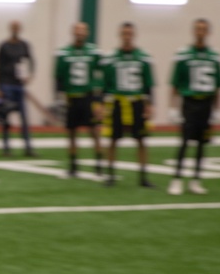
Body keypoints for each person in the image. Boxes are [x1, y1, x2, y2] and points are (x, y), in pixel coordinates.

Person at [167, 19, 220, 196]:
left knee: (202, 145)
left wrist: (218, 109)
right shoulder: (184, 54)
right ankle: (176, 179)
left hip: (206, 103)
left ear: (208, 32)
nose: (200, 32)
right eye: (198, 29)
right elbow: (175, 84)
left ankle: (196, 180)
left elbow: (218, 86)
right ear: (193, 31)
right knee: (184, 142)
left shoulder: (214, 56)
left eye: (204, 29)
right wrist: (173, 107)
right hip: (189, 103)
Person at [100, 22, 155, 188]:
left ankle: (143, 177)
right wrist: (103, 104)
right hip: (117, 101)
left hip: (136, 101)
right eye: (124, 33)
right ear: (120, 35)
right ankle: (110, 175)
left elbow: (148, 83)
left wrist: (150, 104)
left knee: (141, 140)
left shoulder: (143, 56)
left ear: (134, 35)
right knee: (113, 140)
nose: (127, 36)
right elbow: (105, 84)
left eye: (130, 33)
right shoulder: (111, 57)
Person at [54, 22, 103, 177]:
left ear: (87, 33)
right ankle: (73, 165)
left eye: (83, 31)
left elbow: (101, 74)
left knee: (94, 131)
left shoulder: (94, 52)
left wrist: (99, 100)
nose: (80, 33)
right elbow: (58, 77)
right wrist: (59, 97)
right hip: (71, 97)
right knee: (72, 133)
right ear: (72, 32)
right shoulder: (64, 53)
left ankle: (99, 164)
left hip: (88, 96)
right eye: (77, 30)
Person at [0, 21, 36, 156]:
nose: (15, 29)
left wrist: (29, 75)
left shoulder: (24, 45)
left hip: (19, 85)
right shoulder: (4, 46)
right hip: (7, 84)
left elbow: (31, 61)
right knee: (6, 116)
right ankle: (6, 148)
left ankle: (28, 147)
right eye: (13, 27)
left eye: (17, 27)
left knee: (24, 117)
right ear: (10, 29)